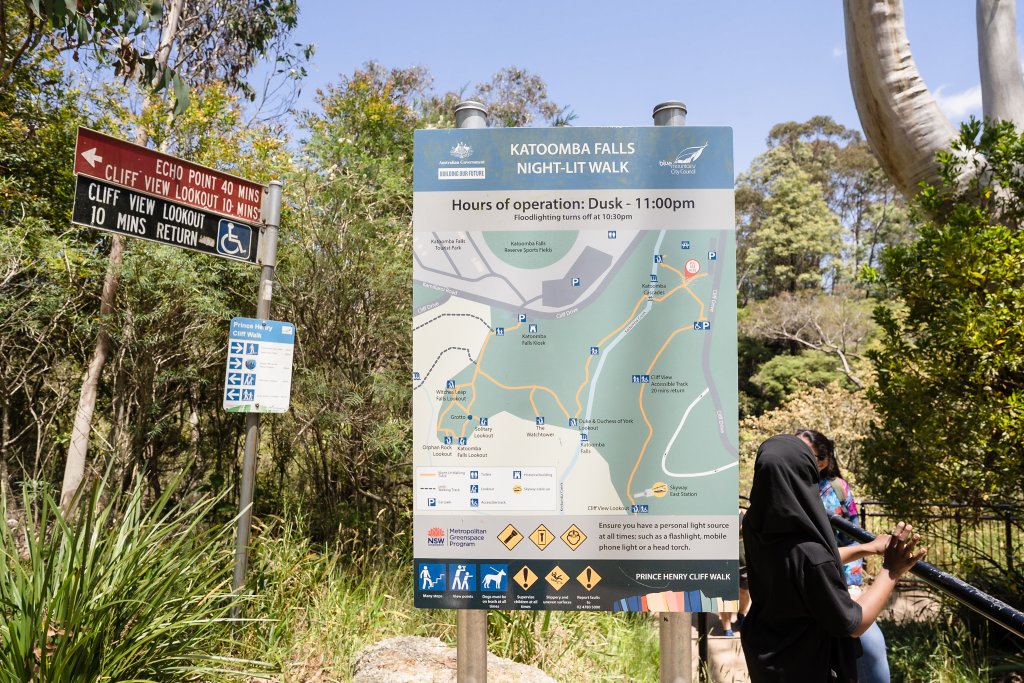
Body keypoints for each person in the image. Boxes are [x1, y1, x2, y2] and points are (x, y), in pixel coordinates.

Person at [741, 434, 925, 682]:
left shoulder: (757, 528)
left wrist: (867, 547)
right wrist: (891, 570)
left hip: (768, 657)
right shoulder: (809, 553)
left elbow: (803, 565)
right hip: (807, 665)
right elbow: (854, 623)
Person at [797, 429, 891, 683]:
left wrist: (852, 584)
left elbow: (853, 536)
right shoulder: (787, 489)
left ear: (823, 461)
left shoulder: (837, 489)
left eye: (805, 454)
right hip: (804, 583)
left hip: (837, 580)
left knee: (870, 646)